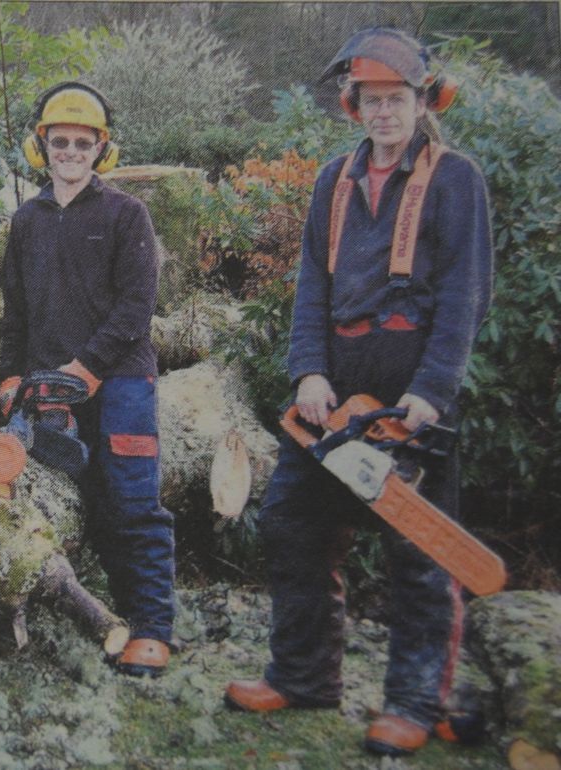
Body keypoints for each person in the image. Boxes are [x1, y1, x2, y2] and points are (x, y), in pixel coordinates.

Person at [223, 28, 493, 757]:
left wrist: (433, 391)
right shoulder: (333, 181)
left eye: (396, 99)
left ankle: (413, 700)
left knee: (420, 549)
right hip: (333, 392)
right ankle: (304, 676)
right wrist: (307, 369)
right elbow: (313, 283)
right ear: (353, 106)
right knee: (291, 524)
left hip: (412, 393)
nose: (384, 113)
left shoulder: (455, 178)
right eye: (371, 100)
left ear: (422, 101)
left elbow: (466, 294)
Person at [0, 82, 176, 677]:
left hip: (122, 380)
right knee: (89, 504)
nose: (70, 151)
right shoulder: (26, 220)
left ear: (103, 149)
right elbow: (15, 309)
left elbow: (136, 306)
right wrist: (12, 373)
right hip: (52, 383)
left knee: (133, 500)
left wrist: (88, 367)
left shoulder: (127, 214)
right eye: (59, 141)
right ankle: (113, 617)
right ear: (40, 146)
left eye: (82, 142)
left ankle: (152, 627)